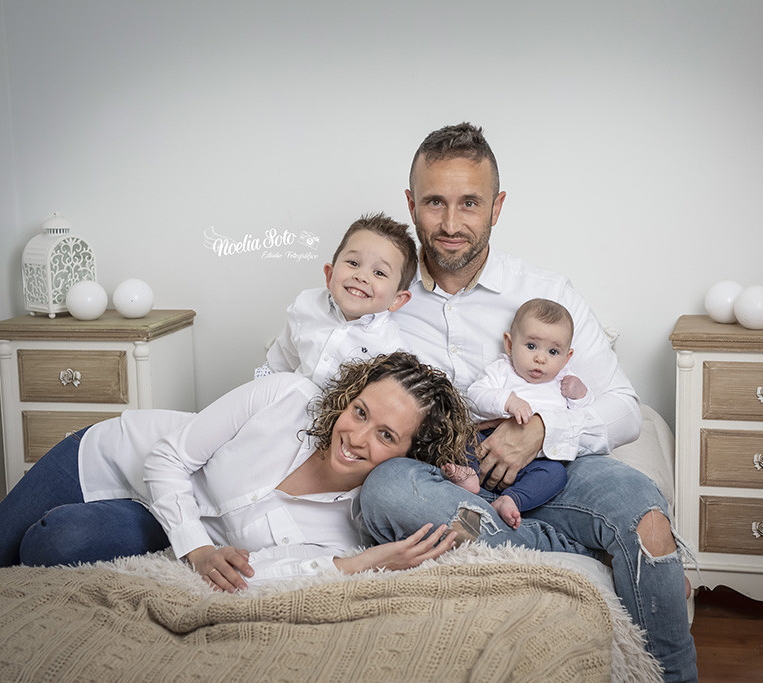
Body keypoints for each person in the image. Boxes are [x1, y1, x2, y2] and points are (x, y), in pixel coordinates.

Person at [358, 123, 698, 681]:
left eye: (470, 203)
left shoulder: (547, 294)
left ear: (497, 207)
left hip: (553, 470)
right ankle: (575, 548)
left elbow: (623, 407)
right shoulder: (380, 290)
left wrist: (541, 429)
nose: (451, 223)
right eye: (434, 202)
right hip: (444, 479)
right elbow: (310, 368)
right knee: (386, 493)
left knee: (643, 510)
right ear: (411, 204)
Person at [0, 352, 474, 598]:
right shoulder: (286, 396)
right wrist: (198, 549)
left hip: (156, 521)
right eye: (360, 412)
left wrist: (364, 563)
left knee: (57, 542)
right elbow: (167, 459)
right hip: (108, 460)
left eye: (386, 435)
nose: (356, 436)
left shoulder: (347, 529)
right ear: (349, 398)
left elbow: (265, 576)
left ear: (409, 455)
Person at [443, 298, 590, 529]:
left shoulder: (564, 382)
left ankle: (511, 500)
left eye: (553, 351)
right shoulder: (502, 370)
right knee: (460, 439)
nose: (540, 358)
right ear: (510, 344)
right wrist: (508, 400)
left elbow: (583, 421)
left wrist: (581, 395)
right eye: (531, 346)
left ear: (566, 358)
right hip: (488, 441)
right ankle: (468, 474)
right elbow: (475, 395)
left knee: (556, 475)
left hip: (536, 460)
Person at [258, 212, 416, 386]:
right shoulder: (306, 306)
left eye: (379, 272)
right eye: (353, 263)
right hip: (286, 397)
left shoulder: (392, 351)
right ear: (329, 274)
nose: (361, 276)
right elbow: (279, 363)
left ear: (397, 300)